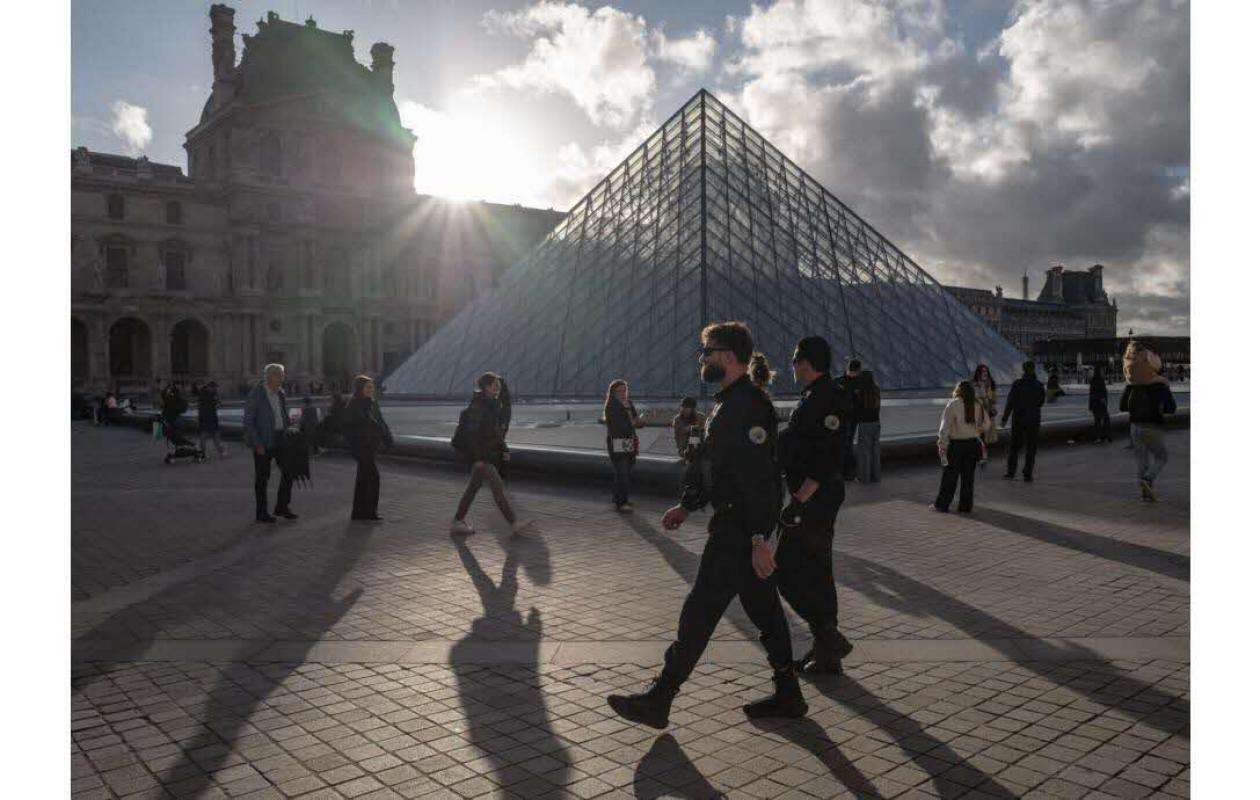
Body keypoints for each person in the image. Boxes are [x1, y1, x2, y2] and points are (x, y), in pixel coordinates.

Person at [607, 321, 806, 729]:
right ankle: (789, 693)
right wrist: (687, 504)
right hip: (737, 526)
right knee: (764, 611)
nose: (703, 359)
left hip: (737, 531)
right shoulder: (729, 402)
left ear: (730, 357)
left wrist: (757, 539)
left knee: (700, 611)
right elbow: (716, 467)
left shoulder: (747, 406)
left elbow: (761, 481)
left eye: (708, 352)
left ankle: (661, 698)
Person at [775, 336, 855, 675]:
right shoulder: (818, 396)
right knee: (819, 571)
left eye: (794, 360)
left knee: (784, 569)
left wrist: (797, 502)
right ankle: (827, 655)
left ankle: (828, 635)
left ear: (806, 362)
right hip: (818, 498)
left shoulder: (824, 400)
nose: (791, 365)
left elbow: (826, 459)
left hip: (813, 500)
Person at [450, 373, 529, 535]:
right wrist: (477, 458)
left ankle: (458, 521)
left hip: (486, 456)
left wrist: (504, 449)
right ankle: (514, 523)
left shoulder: (490, 406)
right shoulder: (479, 407)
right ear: (486, 387)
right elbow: (472, 436)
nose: (498, 389)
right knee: (498, 488)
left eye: (498, 386)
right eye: (495, 386)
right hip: (483, 457)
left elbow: (495, 434)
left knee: (472, 489)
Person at [1120, 346, 1177, 502]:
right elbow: (1171, 408)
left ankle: (1145, 493)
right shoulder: (1160, 385)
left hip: (1134, 427)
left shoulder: (1132, 384)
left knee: (1142, 460)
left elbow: (1123, 406)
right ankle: (1148, 478)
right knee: (1161, 457)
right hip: (1152, 426)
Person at [243, 363, 297, 523]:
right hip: (263, 439)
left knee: (289, 471)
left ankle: (282, 506)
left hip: (281, 438)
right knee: (262, 478)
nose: (282, 378)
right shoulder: (256, 394)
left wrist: (289, 425)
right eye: (279, 375)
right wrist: (257, 443)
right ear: (269, 376)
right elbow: (248, 421)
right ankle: (261, 512)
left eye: (282, 375)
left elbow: (282, 414)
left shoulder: (281, 393)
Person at [932, 381, 989, 513]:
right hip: (972, 445)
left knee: (949, 477)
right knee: (968, 478)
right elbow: (987, 423)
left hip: (956, 446)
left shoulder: (953, 404)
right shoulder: (977, 404)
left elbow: (944, 428)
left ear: (958, 390)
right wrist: (979, 430)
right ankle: (965, 506)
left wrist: (942, 444)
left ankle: (942, 504)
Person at [345, 376, 393, 521]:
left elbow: (381, 421)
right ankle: (369, 512)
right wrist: (355, 444)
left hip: (371, 446)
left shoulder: (373, 403)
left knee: (364, 479)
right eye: (367, 387)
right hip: (361, 447)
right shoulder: (353, 405)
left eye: (371, 387)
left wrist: (387, 438)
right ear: (360, 388)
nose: (370, 390)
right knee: (372, 477)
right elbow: (347, 427)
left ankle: (361, 513)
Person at [604, 379, 645, 511]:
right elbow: (618, 426)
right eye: (619, 391)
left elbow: (635, 421)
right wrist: (632, 422)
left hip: (628, 441)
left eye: (624, 390)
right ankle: (621, 503)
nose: (623, 393)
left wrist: (640, 422)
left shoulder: (629, 404)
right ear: (613, 393)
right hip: (617, 441)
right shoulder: (611, 406)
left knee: (626, 470)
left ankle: (620, 498)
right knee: (622, 471)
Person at [1001, 361, 1045, 482]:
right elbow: (1041, 402)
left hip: (1019, 419)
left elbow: (1010, 402)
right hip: (1034, 419)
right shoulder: (1039, 385)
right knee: (1031, 447)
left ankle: (1011, 472)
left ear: (1023, 370)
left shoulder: (1017, 384)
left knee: (1014, 446)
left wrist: (1004, 418)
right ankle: (1028, 473)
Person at [851, 367, 881, 483]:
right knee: (875, 451)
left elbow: (857, 409)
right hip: (876, 423)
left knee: (864, 452)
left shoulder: (860, 392)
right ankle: (876, 477)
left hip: (864, 424)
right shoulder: (876, 390)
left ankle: (864, 477)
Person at [835, 359, 863, 480]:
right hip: (847, 417)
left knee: (846, 444)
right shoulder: (856, 383)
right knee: (846, 444)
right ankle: (849, 472)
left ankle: (847, 472)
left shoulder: (839, 381)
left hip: (846, 418)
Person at [196, 381, 228, 458]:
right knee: (214, 435)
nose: (216, 389)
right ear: (211, 387)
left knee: (204, 436)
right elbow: (217, 404)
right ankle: (222, 452)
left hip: (204, 418)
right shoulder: (210, 395)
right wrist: (217, 401)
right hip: (210, 417)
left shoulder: (202, 393)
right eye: (215, 388)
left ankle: (203, 453)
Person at [972, 364, 999, 446]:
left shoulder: (991, 383)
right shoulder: (974, 384)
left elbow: (994, 398)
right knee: (979, 433)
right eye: (983, 371)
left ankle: (984, 452)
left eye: (986, 371)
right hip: (978, 412)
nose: (985, 373)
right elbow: (975, 397)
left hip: (989, 412)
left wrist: (992, 404)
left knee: (988, 434)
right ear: (978, 373)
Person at [1088, 367, 1112, 443]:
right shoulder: (1100, 381)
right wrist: (1105, 402)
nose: (1103, 373)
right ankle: (1106, 436)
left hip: (1095, 403)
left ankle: (1098, 437)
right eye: (1102, 371)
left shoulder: (1093, 381)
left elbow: (1091, 394)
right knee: (1106, 419)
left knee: (1097, 420)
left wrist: (1091, 405)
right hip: (1101, 403)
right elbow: (1103, 393)